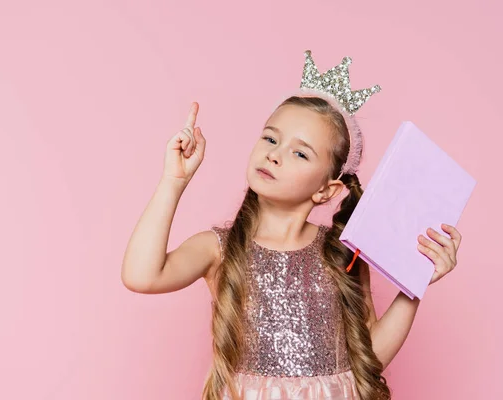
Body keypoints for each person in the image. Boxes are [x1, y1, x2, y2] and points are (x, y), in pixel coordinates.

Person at [121, 50, 462, 400]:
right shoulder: (218, 247)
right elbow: (142, 276)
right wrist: (173, 181)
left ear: (326, 190)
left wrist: (414, 282)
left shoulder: (342, 251)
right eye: (270, 138)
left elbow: (369, 355)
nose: (274, 154)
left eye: (300, 153)